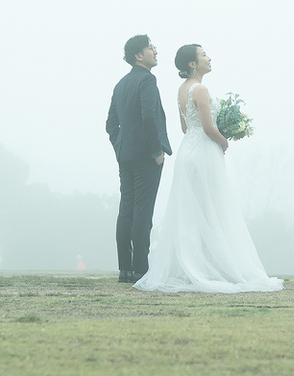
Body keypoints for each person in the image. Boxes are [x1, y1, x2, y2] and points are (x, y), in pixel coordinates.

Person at [134, 44, 282, 293]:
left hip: (187, 152)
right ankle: (211, 266)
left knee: (193, 211)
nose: (209, 58)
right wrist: (224, 141)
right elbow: (208, 128)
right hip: (204, 153)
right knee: (213, 207)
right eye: (204, 55)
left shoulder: (181, 90)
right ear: (192, 64)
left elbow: (184, 128)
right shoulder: (200, 89)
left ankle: (196, 264)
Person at [106, 34, 173, 284]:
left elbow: (111, 124)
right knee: (143, 212)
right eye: (150, 48)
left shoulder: (121, 84)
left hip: (126, 156)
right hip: (146, 156)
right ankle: (141, 270)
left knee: (127, 210)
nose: (155, 51)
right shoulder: (147, 80)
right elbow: (149, 117)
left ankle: (125, 269)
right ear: (138, 55)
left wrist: (120, 146)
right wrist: (156, 151)